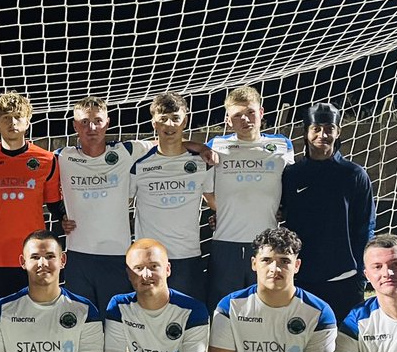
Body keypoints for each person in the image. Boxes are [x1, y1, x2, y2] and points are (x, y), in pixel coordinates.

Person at [56, 97, 213, 325]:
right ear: (74, 125)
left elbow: (167, 141)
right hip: (79, 255)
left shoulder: (129, 151)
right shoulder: (62, 156)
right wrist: (60, 213)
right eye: (85, 121)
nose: (92, 128)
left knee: (119, 326)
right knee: (81, 326)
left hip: (118, 255)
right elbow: (45, 184)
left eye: (97, 121)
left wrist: (200, 147)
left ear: (108, 123)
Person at [281, 102, 376, 321]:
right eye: (316, 128)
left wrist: (361, 271)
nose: (322, 134)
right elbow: (277, 211)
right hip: (301, 277)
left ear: (338, 131)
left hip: (344, 277)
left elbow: (366, 226)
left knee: (345, 348)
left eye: (329, 128)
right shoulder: (292, 175)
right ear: (306, 132)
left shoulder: (354, 175)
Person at [206, 86, 295, 308]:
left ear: (262, 112)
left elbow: (291, 183)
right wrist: (220, 210)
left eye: (251, 112)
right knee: (224, 310)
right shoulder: (215, 146)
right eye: (237, 115)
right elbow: (204, 188)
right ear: (228, 120)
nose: (245, 119)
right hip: (226, 244)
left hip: (267, 244)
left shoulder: (283, 145)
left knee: (265, 308)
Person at [0, 92, 65, 306]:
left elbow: (55, 204)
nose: (12, 122)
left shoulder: (47, 160)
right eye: (6, 117)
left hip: (35, 259)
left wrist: (65, 219)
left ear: (28, 121)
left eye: (18, 116)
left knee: (37, 318)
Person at [129, 92, 214, 302]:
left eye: (176, 118)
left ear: (184, 121)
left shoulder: (202, 162)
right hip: (149, 261)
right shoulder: (139, 163)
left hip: (187, 257)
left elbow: (213, 202)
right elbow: (121, 204)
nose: (170, 124)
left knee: (190, 322)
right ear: (154, 123)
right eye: (163, 119)